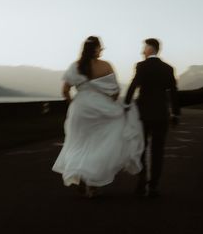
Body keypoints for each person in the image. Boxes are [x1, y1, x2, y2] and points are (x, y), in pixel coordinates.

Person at [52, 36, 144, 198]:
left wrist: (73, 103)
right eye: (100, 47)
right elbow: (115, 92)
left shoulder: (76, 66)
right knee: (99, 146)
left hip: (80, 109)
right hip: (101, 109)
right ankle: (92, 184)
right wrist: (109, 101)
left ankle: (81, 176)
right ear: (95, 49)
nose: (101, 50)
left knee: (78, 144)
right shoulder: (106, 66)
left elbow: (65, 90)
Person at [124, 38, 180, 198]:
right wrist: (175, 113)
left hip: (143, 114)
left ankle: (141, 180)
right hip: (161, 114)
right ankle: (154, 185)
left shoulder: (141, 66)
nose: (142, 51)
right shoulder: (168, 68)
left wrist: (126, 104)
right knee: (158, 150)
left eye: (144, 47)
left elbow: (133, 85)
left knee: (141, 148)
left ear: (151, 48)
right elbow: (174, 92)